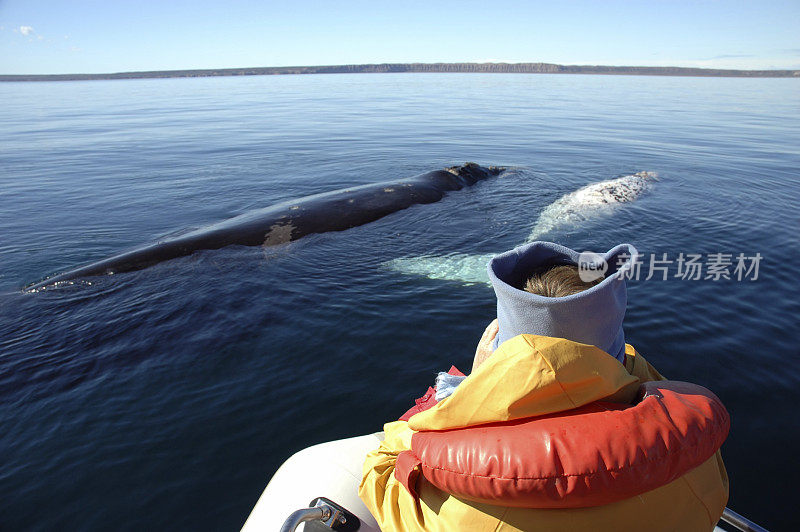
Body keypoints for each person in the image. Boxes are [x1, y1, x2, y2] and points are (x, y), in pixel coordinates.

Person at [359, 241, 730, 531]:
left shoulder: (453, 512)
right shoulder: (698, 457)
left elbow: (381, 472)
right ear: (617, 351)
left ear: (501, 344)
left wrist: (468, 386)